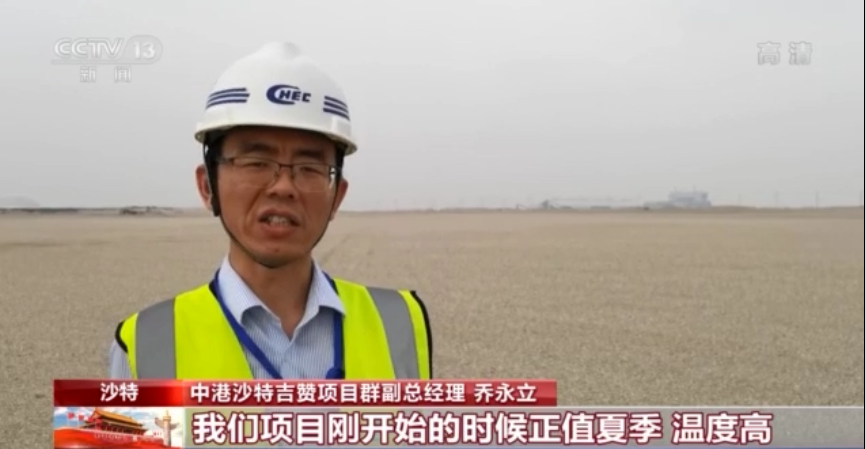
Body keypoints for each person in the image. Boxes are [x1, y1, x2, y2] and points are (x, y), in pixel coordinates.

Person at [107, 42, 431, 379]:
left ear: (337, 196)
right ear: (207, 187)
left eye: (309, 167)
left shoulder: (401, 325)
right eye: (255, 162)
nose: (283, 187)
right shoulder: (144, 344)